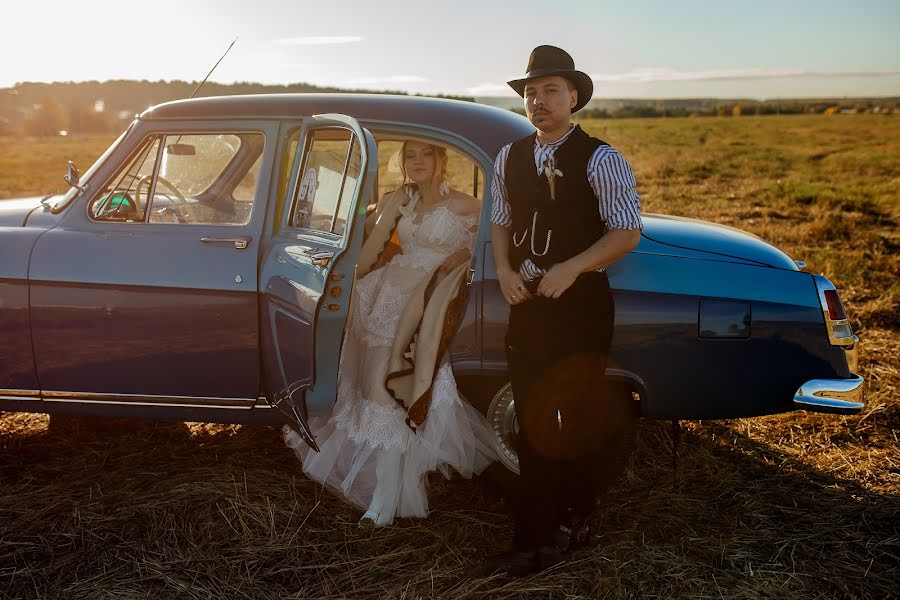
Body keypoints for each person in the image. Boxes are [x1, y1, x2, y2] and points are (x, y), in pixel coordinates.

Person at [485, 45, 644, 575]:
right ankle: (531, 536)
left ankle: (572, 520)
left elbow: (625, 232)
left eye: (550, 90)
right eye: (531, 93)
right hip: (527, 305)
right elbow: (501, 221)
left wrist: (572, 267)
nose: (538, 101)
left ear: (574, 97)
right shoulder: (509, 157)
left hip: (581, 306)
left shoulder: (602, 158)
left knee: (575, 417)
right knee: (532, 421)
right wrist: (506, 271)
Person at [284, 140, 496, 527]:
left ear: (441, 159)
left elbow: (489, 245)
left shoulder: (468, 205)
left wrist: (463, 257)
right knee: (372, 391)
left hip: (426, 298)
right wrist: (337, 281)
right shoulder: (400, 198)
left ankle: (384, 500)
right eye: (409, 155)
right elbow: (371, 252)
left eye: (425, 154)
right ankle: (388, 491)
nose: (416, 162)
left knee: (389, 394)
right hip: (383, 296)